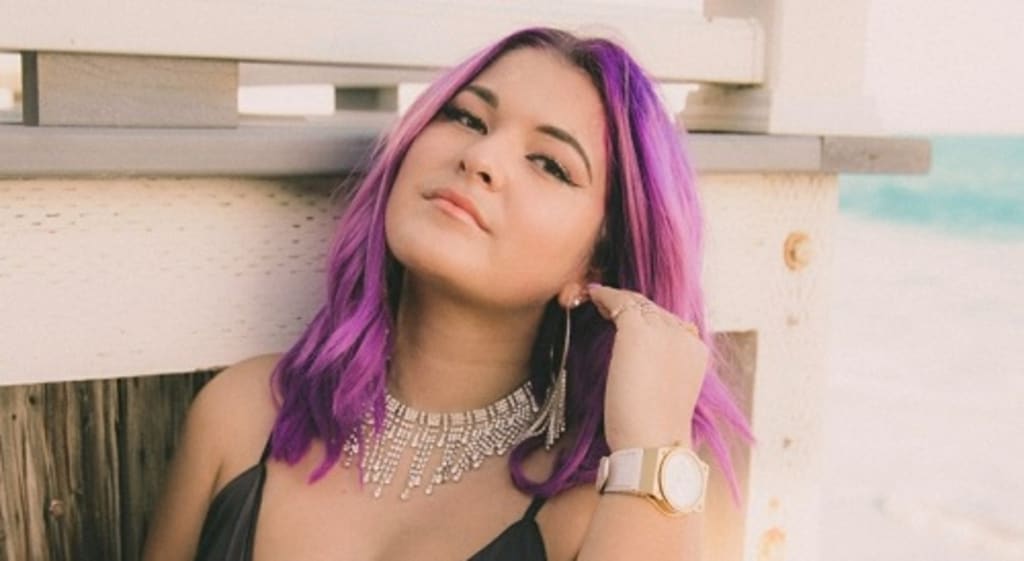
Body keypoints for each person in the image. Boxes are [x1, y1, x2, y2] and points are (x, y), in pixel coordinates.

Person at [142, 26, 753, 561]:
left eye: (549, 163)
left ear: (596, 263)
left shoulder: (604, 506)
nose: (480, 156)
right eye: (467, 118)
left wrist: (653, 446)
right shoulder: (241, 417)